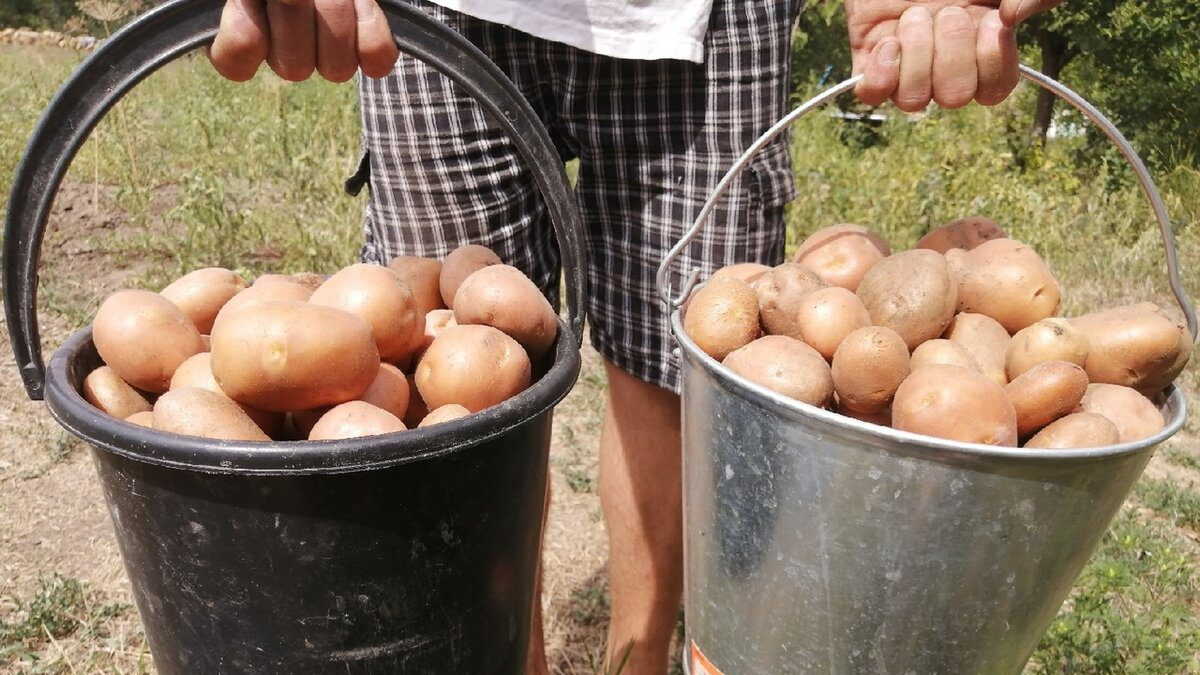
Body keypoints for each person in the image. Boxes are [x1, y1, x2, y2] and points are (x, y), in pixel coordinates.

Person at [208, 1, 1062, 673]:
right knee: (445, 383)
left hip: (711, 20)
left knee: (676, 376)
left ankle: (641, 660)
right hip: (429, 20)